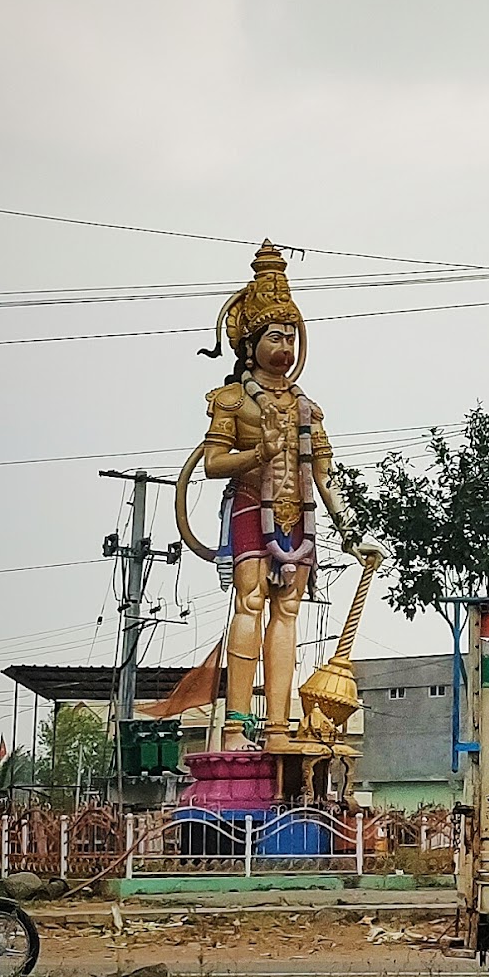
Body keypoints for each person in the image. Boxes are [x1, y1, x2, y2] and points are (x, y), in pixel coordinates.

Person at [186, 242, 382, 749]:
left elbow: (324, 476)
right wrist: (257, 455)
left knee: (288, 613)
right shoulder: (231, 400)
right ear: (250, 345)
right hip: (253, 504)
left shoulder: (308, 408)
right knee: (250, 603)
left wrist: (351, 533)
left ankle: (277, 724)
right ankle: (235, 726)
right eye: (275, 335)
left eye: (291, 335)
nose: (286, 345)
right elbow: (211, 464)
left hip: (300, 518)